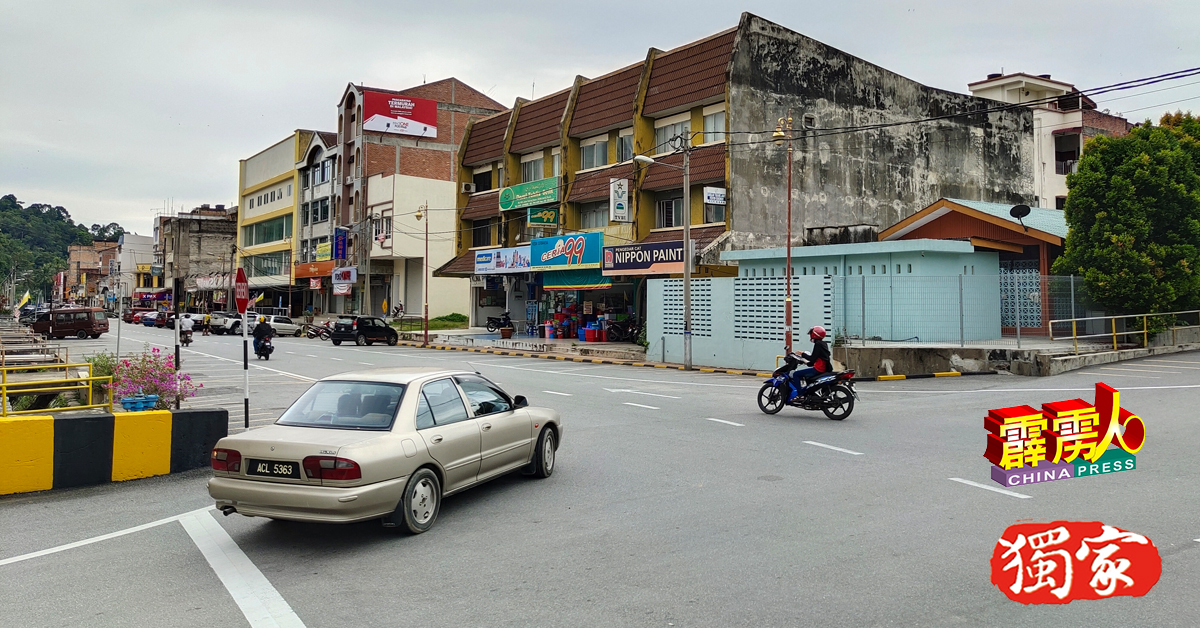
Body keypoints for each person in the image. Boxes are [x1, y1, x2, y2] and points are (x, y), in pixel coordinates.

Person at [788, 326, 832, 399]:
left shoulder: (818, 344)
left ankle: (800, 394)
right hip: (823, 368)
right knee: (807, 378)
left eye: (811, 334)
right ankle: (810, 394)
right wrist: (807, 363)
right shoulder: (824, 344)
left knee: (796, 374)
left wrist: (802, 354)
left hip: (818, 369)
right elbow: (817, 358)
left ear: (814, 334)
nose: (810, 336)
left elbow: (812, 359)